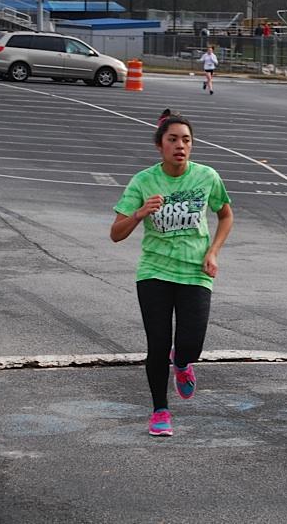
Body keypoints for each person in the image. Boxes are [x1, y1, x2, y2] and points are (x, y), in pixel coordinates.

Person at [110, 110, 234, 437]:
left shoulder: (207, 177)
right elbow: (116, 233)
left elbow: (226, 215)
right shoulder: (143, 181)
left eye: (186, 140)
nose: (180, 145)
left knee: (191, 344)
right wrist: (139, 213)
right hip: (154, 270)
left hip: (196, 271)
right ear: (160, 145)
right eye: (173, 139)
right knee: (157, 342)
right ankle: (160, 410)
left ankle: (182, 363)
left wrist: (213, 251)